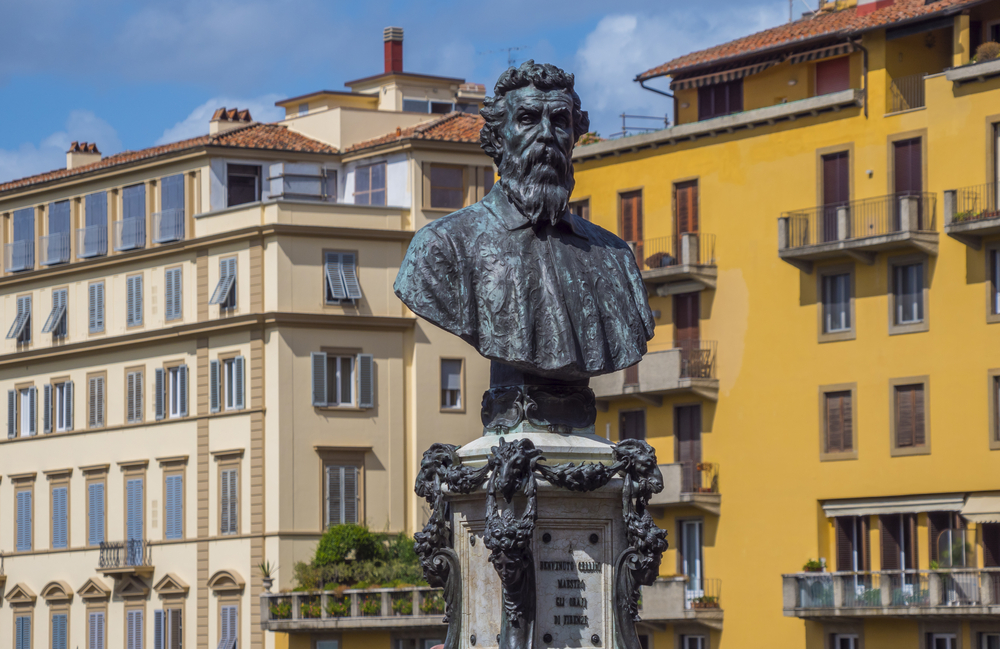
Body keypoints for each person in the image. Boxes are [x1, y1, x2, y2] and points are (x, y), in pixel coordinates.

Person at [394, 61, 654, 382]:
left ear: (574, 137)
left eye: (560, 121)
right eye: (528, 119)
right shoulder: (442, 247)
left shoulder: (615, 258)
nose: (546, 134)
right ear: (499, 138)